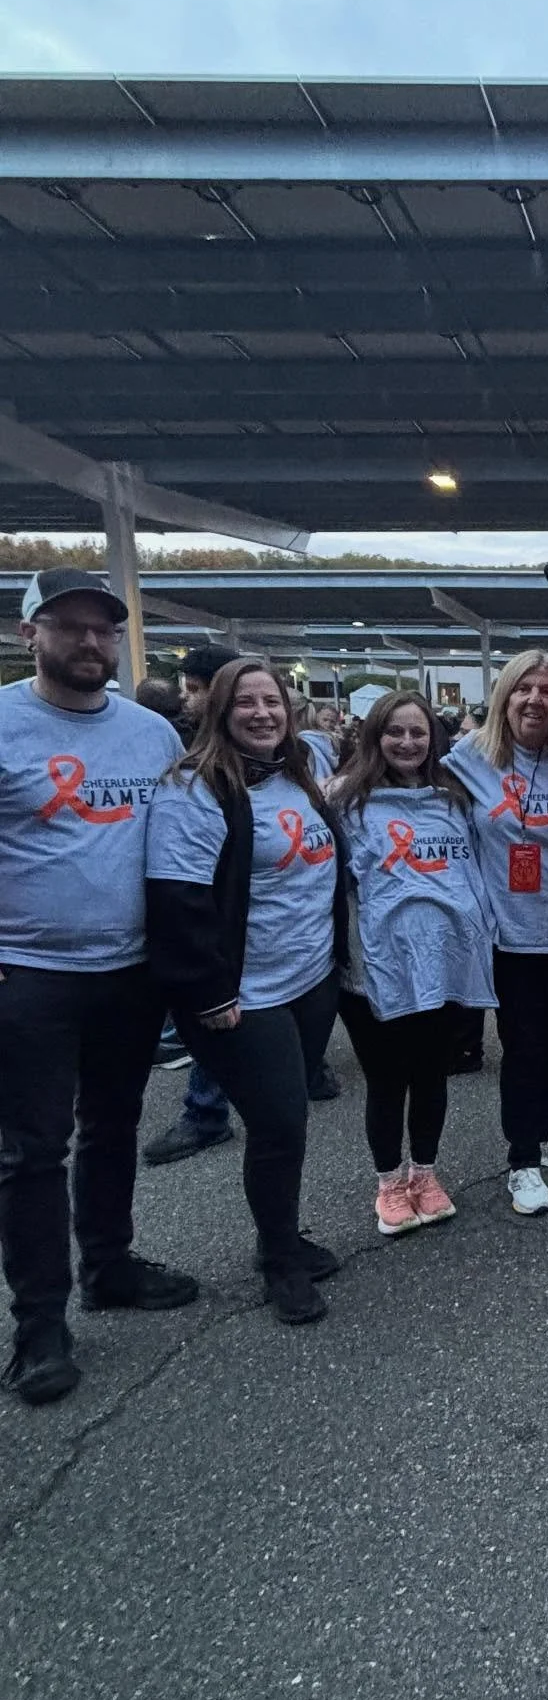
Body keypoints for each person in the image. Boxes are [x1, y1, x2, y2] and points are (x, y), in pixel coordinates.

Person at [0, 568, 197, 1408]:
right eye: (68, 627)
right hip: (28, 974)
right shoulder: (5, 723)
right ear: (29, 634)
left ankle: (108, 1263)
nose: (89, 643)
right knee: (31, 1151)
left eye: (103, 630)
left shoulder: (152, 733)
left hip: (129, 970)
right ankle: (40, 1323)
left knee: (112, 1125)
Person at [146, 660, 348, 1325]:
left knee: (286, 1123)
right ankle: (280, 1264)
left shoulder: (296, 775)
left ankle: (279, 1235)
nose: (263, 713)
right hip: (245, 992)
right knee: (279, 1123)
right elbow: (178, 900)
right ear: (218, 711)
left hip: (310, 979)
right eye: (246, 702)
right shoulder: (195, 787)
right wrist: (208, 993)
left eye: (273, 702)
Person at [330, 692, 497, 1237]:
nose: (407, 742)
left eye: (418, 732)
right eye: (395, 732)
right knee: (386, 1080)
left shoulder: (454, 799)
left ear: (433, 738)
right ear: (374, 736)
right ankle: (388, 1183)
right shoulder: (344, 802)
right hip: (375, 967)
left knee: (431, 1075)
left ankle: (424, 1172)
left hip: (445, 962)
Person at [444, 651, 548, 1215]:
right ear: (504, 697)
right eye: (523, 689)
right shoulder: (470, 759)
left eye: (547, 691)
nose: (534, 700)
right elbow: (407, 784)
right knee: (522, 1047)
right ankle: (522, 1158)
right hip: (511, 935)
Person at [144, 643, 245, 1163]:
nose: (187, 699)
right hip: (219, 933)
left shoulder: (280, 762)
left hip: (257, 937)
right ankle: (206, 1110)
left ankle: (207, 1111)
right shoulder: (186, 761)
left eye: (194, 689)